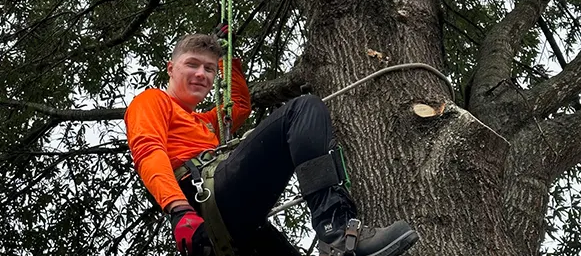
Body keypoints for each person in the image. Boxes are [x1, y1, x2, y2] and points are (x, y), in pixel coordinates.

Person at [124, 28, 419, 256]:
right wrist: (178, 210)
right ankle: (338, 227)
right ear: (170, 68)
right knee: (303, 109)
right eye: (192, 65)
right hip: (204, 196)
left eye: (209, 69)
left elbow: (238, 106)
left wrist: (228, 60)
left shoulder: (204, 121)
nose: (202, 74)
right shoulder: (153, 100)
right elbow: (149, 150)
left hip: (230, 219)